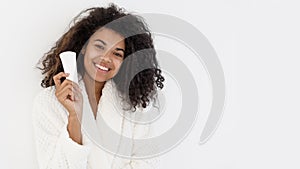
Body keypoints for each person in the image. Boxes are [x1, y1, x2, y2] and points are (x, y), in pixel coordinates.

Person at [32, 3, 164, 169]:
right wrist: (75, 117)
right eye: (100, 46)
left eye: (117, 53)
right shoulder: (48, 103)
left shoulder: (134, 105)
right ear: (84, 47)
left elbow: (147, 164)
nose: (106, 58)